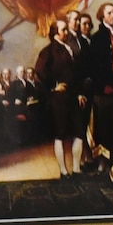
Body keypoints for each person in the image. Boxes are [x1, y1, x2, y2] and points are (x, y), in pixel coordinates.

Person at [35, 18, 82, 177]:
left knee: (79, 132)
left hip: (73, 95)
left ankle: (76, 169)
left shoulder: (69, 48)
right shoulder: (48, 51)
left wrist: (79, 91)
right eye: (63, 30)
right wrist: (53, 86)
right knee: (60, 134)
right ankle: (63, 170)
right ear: (56, 33)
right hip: (59, 98)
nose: (67, 32)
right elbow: (40, 72)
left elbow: (76, 73)